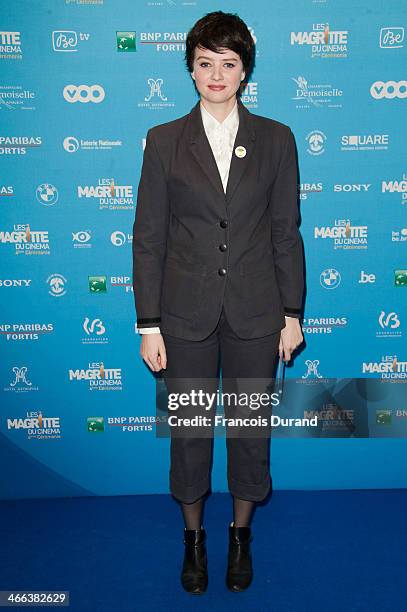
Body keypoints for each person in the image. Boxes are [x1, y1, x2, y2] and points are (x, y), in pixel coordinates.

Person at [132, 10, 304, 594]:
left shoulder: (277, 139)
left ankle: (239, 535)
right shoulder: (162, 142)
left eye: (228, 63)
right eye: (205, 62)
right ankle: (194, 540)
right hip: (184, 317)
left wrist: (292, 314)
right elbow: (149, 237)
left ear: (245, 71)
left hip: (258, 313)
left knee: (251, 429)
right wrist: (148, 324)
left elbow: (286, 232)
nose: (216, 74)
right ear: (190, 67)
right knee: (189, 429)